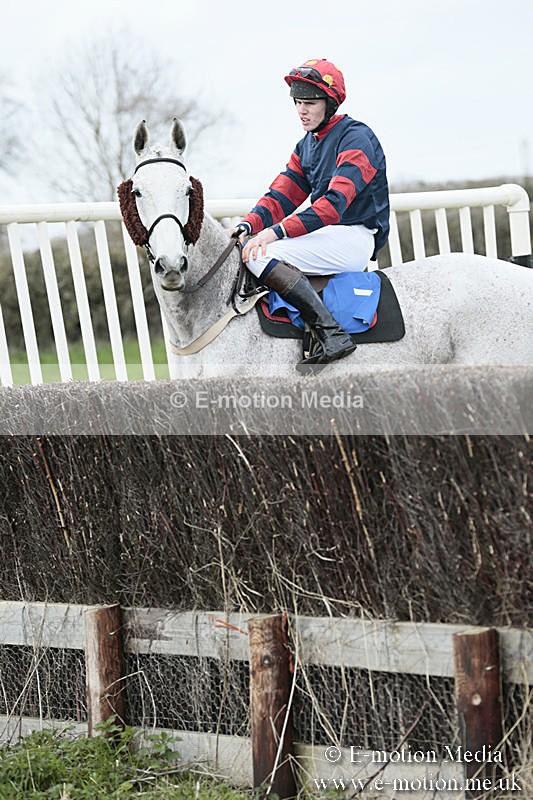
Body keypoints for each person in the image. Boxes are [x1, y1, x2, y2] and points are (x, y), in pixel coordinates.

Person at [231, 58, 389, 369]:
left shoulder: (356, 138)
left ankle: (331, 335)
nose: (302, 111)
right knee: (250, 246)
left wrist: (272, 232)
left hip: (354, 237)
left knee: (257, 255)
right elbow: (280, 196)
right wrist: (247, 225)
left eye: (310, 103)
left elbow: (331, 206)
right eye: (298, 103)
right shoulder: (307, 145)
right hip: (330, 236)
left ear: (329, 103)